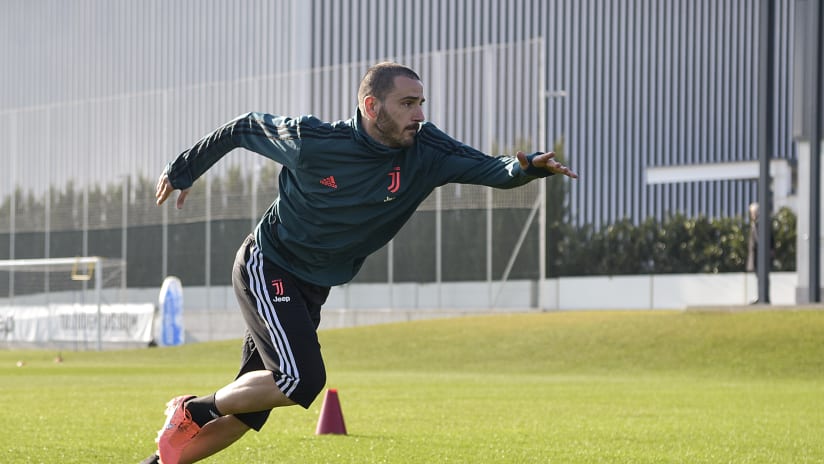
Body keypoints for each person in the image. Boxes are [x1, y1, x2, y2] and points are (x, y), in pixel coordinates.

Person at [142, 62, 577, 464]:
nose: (419, 114)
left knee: (251, 409)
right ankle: (191, 409)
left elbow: (489, 168)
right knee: (299, 381)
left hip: (314, 285)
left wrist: (526, 168)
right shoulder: (314, 141)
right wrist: (185, 168)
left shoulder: (426, 149)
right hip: (268, 264)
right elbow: (245, 126)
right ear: (371, 106)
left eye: (421, 103)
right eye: (408, 103)